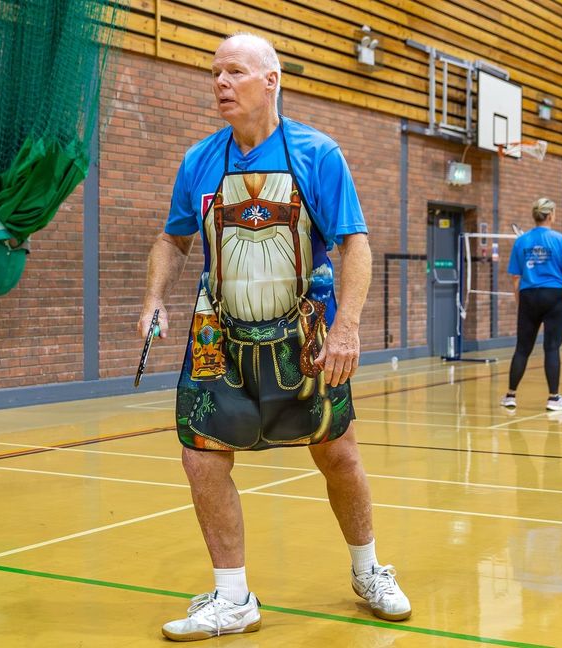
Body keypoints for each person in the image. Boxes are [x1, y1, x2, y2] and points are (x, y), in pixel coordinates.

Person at [139, 34, 410, 641]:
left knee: (336, 451)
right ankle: (233, 597)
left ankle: (369, 572)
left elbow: (354, 244)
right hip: (218, 332)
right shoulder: (200, 160)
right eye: (215, 74)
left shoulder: (318, 153)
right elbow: (173, 239)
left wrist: (348, 326)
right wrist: (154, 298)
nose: (220, 84)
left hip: (306, 329)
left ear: (272, 80)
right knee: (201, 456)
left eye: (234, 71)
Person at [500, 198, 562, 411]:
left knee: (522, 348)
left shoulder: (521, 241)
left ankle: (510, 395)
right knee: (551, 347)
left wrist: (520, 302)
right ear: (551, 215)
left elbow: (516, 276)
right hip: (554, 297)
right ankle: (553, 398)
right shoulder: (560, 240)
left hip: (528, 296)